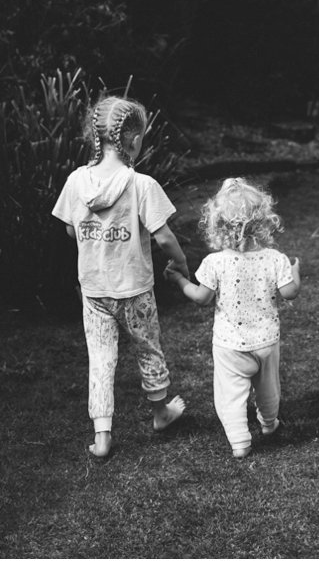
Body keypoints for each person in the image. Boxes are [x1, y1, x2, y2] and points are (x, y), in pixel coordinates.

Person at [52, 93, 190, 459]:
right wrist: (181, 264)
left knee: (100, 360)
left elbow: (70, 231)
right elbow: (164, 236)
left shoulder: (77, 181)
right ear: (131, 139)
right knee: (148, 350)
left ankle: (102, 437)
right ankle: (161, 414)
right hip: (136, 291)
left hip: (94, 290)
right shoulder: (141, 185)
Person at [165, 178, 300, 458]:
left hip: (230, 345)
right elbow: (289, 292)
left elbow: (202, 298)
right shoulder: (275, 258)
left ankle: (240, 442)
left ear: (218, 225)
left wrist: (179, 280)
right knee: (268, 388)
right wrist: (295, 271)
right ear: (262, 221)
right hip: (266, 341)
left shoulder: (215, 262)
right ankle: (270, 423)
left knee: (231, 395)